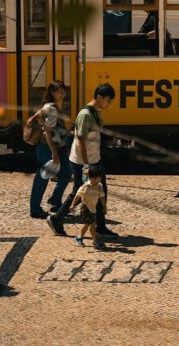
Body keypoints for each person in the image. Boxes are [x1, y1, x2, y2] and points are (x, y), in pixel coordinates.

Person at [47, 83, 118, 246]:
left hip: (94, 159)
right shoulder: (86, 114)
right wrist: (86, 165)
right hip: (84, 162)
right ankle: (56, 218)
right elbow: (80, 139)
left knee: (100, 191)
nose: (109, 104)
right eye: (108, 100)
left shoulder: (95, 112)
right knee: (80, 191)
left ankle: (100, 227)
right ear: (99, 97)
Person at [28, 80, 72, 219]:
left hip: (56, 146)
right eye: (60, 91)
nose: (63, 93)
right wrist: (54, 153)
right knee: (42, 178)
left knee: (66, 172)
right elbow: (47, 132)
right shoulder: (51, 108)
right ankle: (35, 209)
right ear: (53, 93)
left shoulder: (53, 107)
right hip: (47, 147)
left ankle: (55, 200)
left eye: (63, 90)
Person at [68, 164, 105, 248]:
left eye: (98, 178)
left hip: (93, 209)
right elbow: (77, 196)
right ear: (90, 177)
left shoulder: (99, 186)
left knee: (87, 225)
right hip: (85, 208)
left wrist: (104, 207)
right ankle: (95, 241)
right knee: (92, 226)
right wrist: (72, 205)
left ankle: (79, 238)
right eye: (94, 178)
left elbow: (102, 197)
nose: (97, 180)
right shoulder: (86, 186)